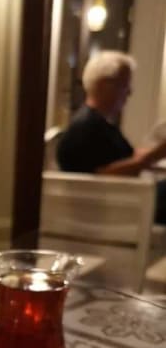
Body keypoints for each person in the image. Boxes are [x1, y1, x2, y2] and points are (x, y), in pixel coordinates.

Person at [56, 51, 166, 222]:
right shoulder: (86, 127)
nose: (129, 92)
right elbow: (99, 178)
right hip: (113, 213)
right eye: (124, 85)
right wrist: (152, 157)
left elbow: (120, 159)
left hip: (117, 206)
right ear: (104, 85)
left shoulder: (97, 124)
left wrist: (151, 154)